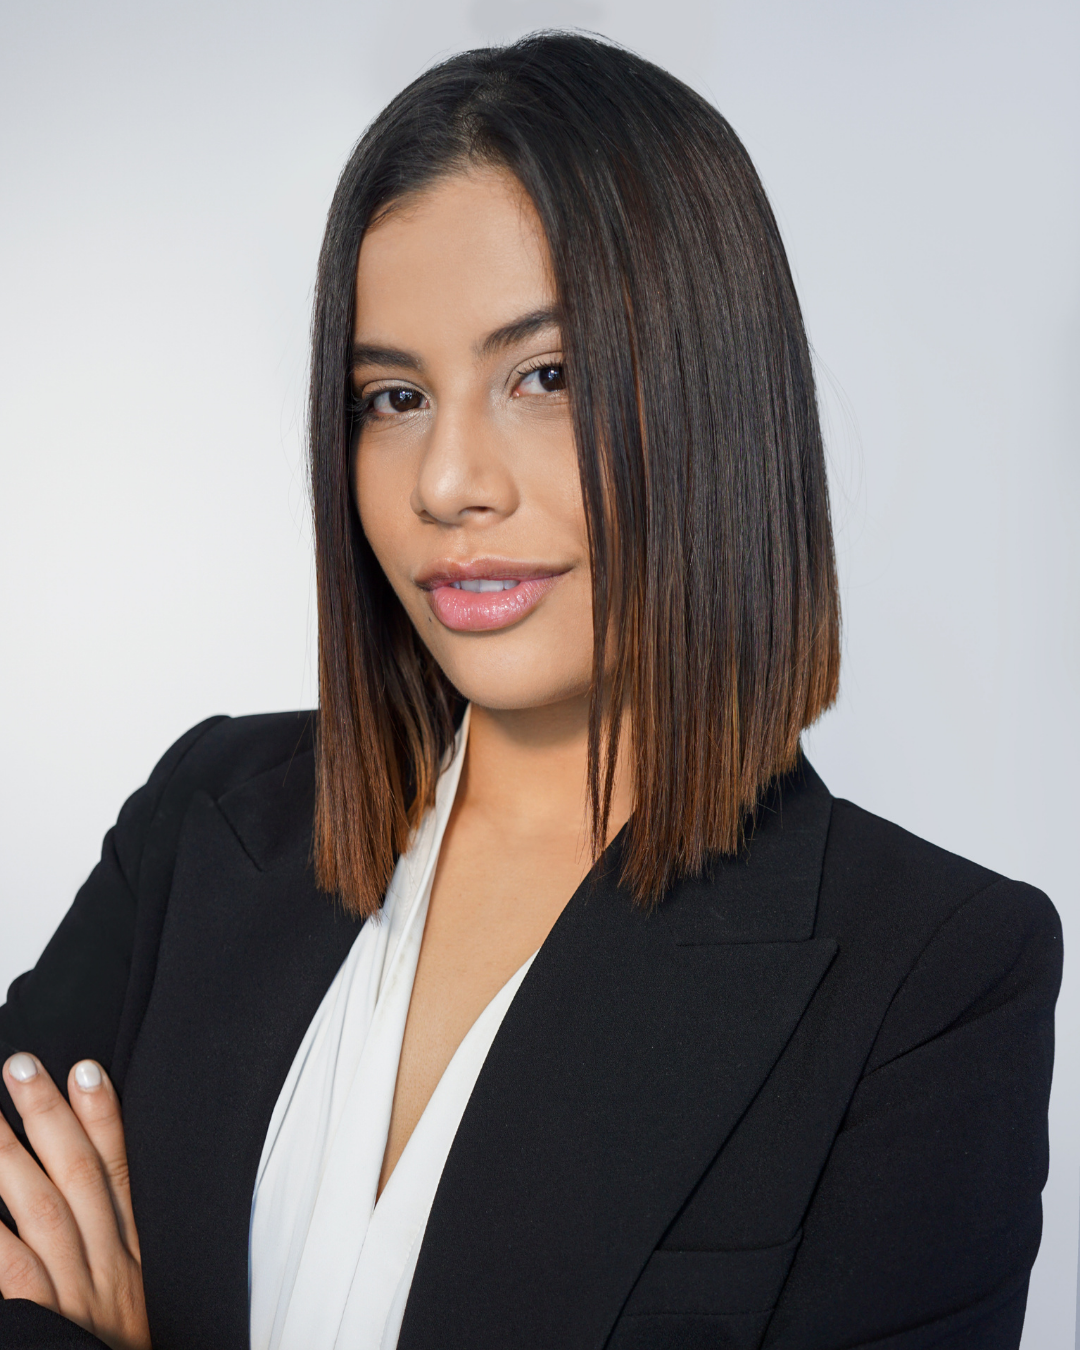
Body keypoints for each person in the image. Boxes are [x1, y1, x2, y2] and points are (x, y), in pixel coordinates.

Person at [0, 31, 1060, 1350]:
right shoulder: (205, 818)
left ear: (712, 393)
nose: (447, 480)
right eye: (391, 395)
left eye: (542, 378)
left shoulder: (932, 976)